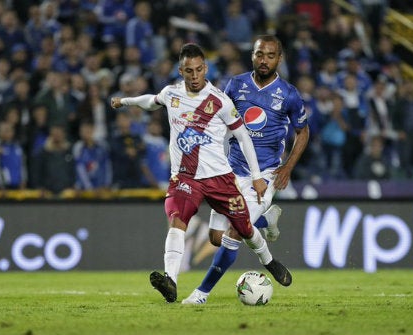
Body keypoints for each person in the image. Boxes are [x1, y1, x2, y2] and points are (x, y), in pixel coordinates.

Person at [111, 42, 292, 303]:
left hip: (220, 178)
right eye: (189, 71)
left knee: (243, 229)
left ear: (205, 68)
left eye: (198, 70)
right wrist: (124, 101)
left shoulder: (219, 100)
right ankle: (170, 280)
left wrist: (256, 177)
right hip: (185, 178)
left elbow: (243, 137)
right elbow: (151, 102)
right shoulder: (171, 94)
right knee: (176, 220)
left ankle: (269, 261)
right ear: (180, 70)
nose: (195, 76)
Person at [182, 35, 309, 304]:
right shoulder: (236, 85)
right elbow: (218, 119)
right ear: (252, 55)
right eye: (260, 54)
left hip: (264, 175)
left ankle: (201, 293)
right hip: (231, 170)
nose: (264, 60)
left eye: (270, 55)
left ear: (279, 59)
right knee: (215, 238)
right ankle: (266, 221)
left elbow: (303, 131)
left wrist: (287, 168)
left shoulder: (288, 93)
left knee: (235, 233)